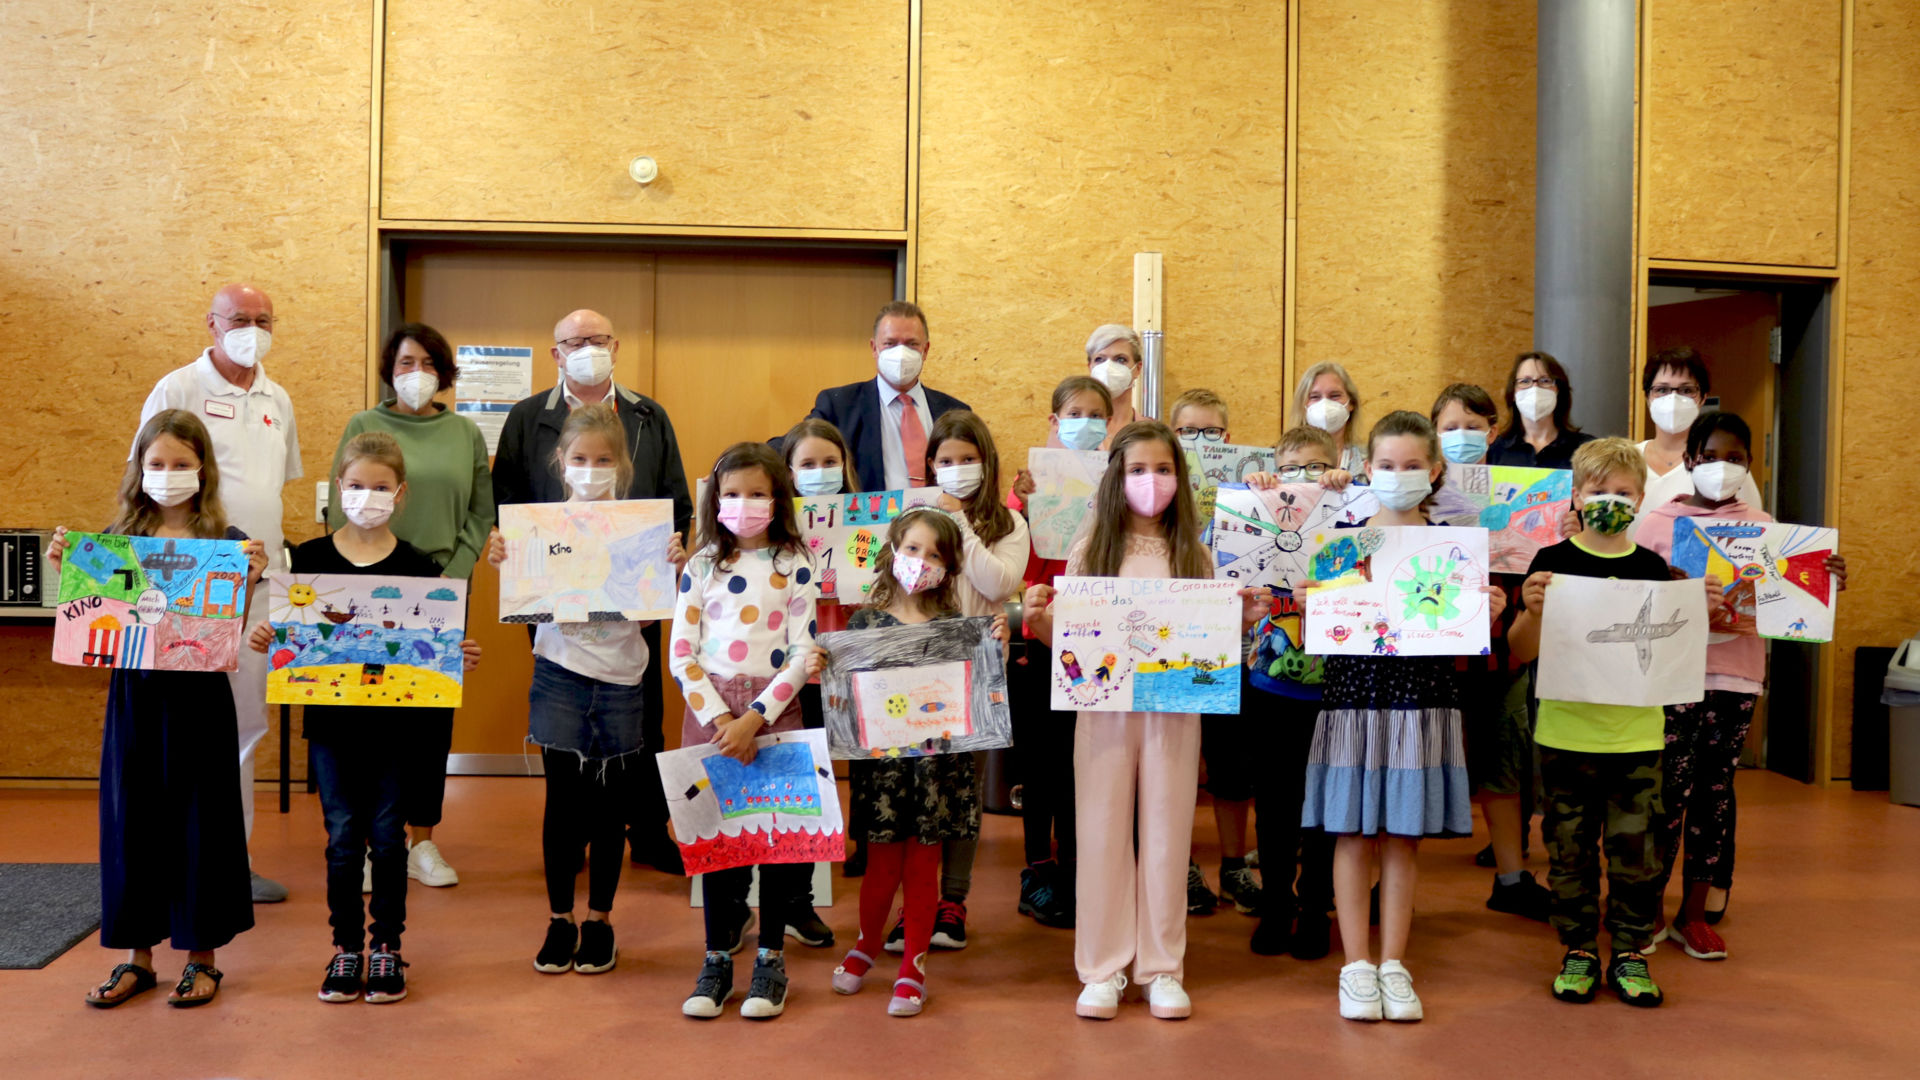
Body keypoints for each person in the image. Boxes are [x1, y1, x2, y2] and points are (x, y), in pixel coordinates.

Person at [1021, 420, 1268, 1022]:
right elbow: (1070, 642)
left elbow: (1208, 642)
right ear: (1116, 478)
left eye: (1162, 470)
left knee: (1166, 833)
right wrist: (1040, 620)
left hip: (1173, 710)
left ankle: (1162, 968)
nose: (1150, 482)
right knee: (1101, 832)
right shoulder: (1091, 550)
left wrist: (1239, 621)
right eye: (1137, 470)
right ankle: (1103, 968)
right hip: (1102, 710)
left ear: (1178, 479)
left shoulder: (1195, 553)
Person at [253, 432, 483, 1005]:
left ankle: (386, 947)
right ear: (338, 488)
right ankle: (345, 948)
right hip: (331, 728)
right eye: (357, 486)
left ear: (399, 494)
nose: (367, 497)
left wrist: (459, 653)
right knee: (341, 841)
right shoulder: (306, 562)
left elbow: (431, 644)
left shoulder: (418, 567)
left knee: (387, 839)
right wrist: (268, 636)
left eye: (380, 487)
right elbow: (291, 636)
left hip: (396, 732)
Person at [1299, 411, 1504, 1023]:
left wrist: (1485, 613)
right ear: (1367, 469)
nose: (1398, 475)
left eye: (1413, 465)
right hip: (1354, 699)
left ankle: (1394, 963)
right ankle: (1356, 966)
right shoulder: (1342, 542)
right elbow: (1326, 633)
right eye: (1386, 466)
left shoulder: (1454, 546)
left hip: (1423, 698)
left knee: (1402, 836)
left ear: (1435, 471)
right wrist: (1320, 603)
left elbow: (1460, 636)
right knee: (1352, 830)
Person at [1508, 437, 1722, 1008]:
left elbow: (1678, 646)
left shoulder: (1653, 569)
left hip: (1636, 738)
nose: (1611, 500)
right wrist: (1530, 612)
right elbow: (1519, 651)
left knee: (1638, 856)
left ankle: (1629, 952)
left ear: (1640, 497)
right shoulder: (1550, 564)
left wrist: (1701, 608)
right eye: (1598, 491)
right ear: (1577, 495)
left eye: (1623, 492)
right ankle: (1578, 950)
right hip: (1564, 735)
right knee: (1569, 852)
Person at [64, 411, 265, 1009]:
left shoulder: (228, 546)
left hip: (199, 700)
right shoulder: (115, 543)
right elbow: (93, 625)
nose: (168, 475)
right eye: (157, 464)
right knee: (133, 819)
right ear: (139, 469)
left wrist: (248, 581)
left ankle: (202, 959)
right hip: (135, 698)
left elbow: (224, 628)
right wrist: (71, 577)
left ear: (202, 471)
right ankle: (137, 959)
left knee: (200, 821)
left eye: (181, 464)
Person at [1633, 412, 1846, 961]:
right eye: (1709, 457)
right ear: (1688, 461)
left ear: (1750, 465)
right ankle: (1651, 907)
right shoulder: (1656, 523)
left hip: (1737, 676)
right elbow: (1634, 599)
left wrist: (1821, 578)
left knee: (1715, 793)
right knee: (1666, 796)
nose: (1721, 468)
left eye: (1735, 458)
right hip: (1673, 676)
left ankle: (1694, 914)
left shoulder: (1766, 525)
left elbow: (1786, 603)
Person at [492, 308, 693, 875]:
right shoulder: (529, 417)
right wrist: (515, 563)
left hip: (635, 609)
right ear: (555, 352)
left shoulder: (648, 416)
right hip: (552, 605)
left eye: (597, 339)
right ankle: (573, 836)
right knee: (566, 725)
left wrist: (666, 573)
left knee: (641, 720)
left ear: (616, 346)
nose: (587, 348)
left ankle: (648, 831)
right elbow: (505, 500)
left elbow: (675, 502)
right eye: (573, 341)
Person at [136, 283, 300, 904]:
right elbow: (149, 478)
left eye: (263, 319)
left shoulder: (277, 397)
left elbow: (273, 487)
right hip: (187, 583)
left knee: (244, 725)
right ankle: (167, 858)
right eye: (239, 319)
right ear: (211, 322)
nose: (250, 329)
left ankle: (233, 861)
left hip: (258, 585)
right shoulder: (178, 388)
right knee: (176, 723)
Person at [485, 405, 653, 976]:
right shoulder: (538, 527)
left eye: (604, 460)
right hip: (558, 670)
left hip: (622, 677)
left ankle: (600, 922)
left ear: (621, 465)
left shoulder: (641, 527)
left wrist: (668, 571)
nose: (591, 469)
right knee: (562, 804)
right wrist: (503, 559)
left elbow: (650, 616)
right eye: (580, 459)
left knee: (610, 809)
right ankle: (559, 919)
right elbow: (525, 597)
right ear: (561, 462)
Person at [328, 323, 495, 890]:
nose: (414, 373)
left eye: (426, 362)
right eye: (403, 363)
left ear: (444, 372)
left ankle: (422, 841)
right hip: (366, 593)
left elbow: (479, 513)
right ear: (388, 369)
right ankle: (377, 841)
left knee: (427, 722)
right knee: (367, 717)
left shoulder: (464, 432)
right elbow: (339, 504)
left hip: (439, 592)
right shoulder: (363, 425)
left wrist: (450, 579)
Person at [829, 509, 1010, 1017]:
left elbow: (980, 696)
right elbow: (847, 699)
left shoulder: (958, 628)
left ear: (949, 569)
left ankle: (913, 964)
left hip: (937, 771)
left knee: (923, 865)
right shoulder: (864, 622)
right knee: (881, 863)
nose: (921, 561)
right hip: (883, 772)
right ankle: (866, 943)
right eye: (912, 549)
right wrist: (826, 668)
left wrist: (998, 647)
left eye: (935, 555)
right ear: (892, 550)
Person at [670, 443, 822, 1021]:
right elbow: (682, 653)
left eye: (757, 493)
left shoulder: (795, 561)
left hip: (774, 712)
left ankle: (772, 959)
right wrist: (721, 721)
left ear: (778, 498)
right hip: (711, 714)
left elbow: (805, 649)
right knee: (719, 843)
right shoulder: (702, 564)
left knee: (777, 841)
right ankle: (716, 957)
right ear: (715, 500)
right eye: (731, 494)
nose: (744, 504)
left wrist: (755, 717)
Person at [873, 411, 1029, 954]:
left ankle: (952, 901)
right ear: (930, 464)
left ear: (986, 462)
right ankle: (909, 904)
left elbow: (999, 582)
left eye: (967, 460)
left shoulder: (1009, 525)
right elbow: (890, 577)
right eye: (945, 460)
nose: (956, 469)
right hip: (915, 673)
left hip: (978, 672)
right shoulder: (912, 514)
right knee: (916, 792)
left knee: (963, 790)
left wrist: (958, 521)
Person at [1432, 383, 1552, 920]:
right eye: (1449, 427)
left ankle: (1510, 876)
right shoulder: (1420, 494)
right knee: (1414, 766)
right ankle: (1386, 881)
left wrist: (1563, 529)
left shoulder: (1530, 496)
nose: (1461, 437)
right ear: (1434, 434)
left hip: (1502, 655)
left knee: (1503, 765)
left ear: (1493, 431)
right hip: (1431, 659)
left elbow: (1541, 569)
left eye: (1473, 426)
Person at [1004, 375, 1114, 928]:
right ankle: (1037, 872)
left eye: (1098, 414)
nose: (1086, 422)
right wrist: (1021, 504)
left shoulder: (1118, 483)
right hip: (1035, 642)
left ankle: (1073, 870)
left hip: (1092, 641)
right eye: (1075, 412)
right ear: (1054, 421)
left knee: (1077, 763)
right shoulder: (1028, 487)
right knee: (1038, 765)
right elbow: (1017, 562)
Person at [1237, 426, 1345, 959]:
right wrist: (1258, 485)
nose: (1306, 478)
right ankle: (1276, 903)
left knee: (1324, 807)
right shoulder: (1259, 509)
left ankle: (1315, 907)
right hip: (1269, 686)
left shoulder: (1351, 507)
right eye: (1293, 468)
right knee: (1276, 804)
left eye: (1318, 466)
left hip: (1334, 690)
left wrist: (1346, 485)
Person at [1167, 387, 1261, 917]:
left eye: (1210, 433)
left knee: (1232, 766)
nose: (1199, 443)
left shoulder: (1247, 490)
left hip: (1231, 644)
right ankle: (1180, 867)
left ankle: (1232, 867)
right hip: (1173, 647)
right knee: (1180, 764)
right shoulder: (1157, 494)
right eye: (1187, 432)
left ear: (1227, 438)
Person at [776, 416, 862, 944]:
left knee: (825, 789)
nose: (820, 472)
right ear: (788, 472)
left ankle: (802, 899)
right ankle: (783, 900)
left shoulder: (865, 524)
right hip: (788, 675)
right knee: (793, 787)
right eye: (808, 464)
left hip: (843, 668)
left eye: (830, 463)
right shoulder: (775, 529)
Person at [803, 301, 968, 490]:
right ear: (874, 348)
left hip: (940, 517)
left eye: (911, 344)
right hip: (872, 517)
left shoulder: (955, 411)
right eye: (890, 343)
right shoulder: (839, 406)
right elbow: (797, 444)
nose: (901, 353)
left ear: (926, 350)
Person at [1637, 347, 1764, 511]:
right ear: (1648, 397)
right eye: (1662, 389)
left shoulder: (1723, 466)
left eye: (1686, 390)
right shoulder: (1625, 461)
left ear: (1703, 398)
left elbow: (1754, 526)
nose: (1673, 398)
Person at [1488, 351, 1595, 469]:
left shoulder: (1588, 449)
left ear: (1558, 391)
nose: (1535, 388)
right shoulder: (1494, 450)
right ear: (1513, 393)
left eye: (1545, 381)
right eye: (1525, 381)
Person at [1286, 362, 1367, 477]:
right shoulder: (1284, 460)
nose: (1325, 404)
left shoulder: (1370, 461)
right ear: (1303, 406)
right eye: (1314, 397)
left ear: (1351, 403)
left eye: (1335, 396)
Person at [1083, 324, 1144, 438]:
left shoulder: (1150, 431)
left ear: (1138, 369)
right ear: (1090, 367)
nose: (1108, 368)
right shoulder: (1071, 429)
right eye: (1099, 359)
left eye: (1121, 359)